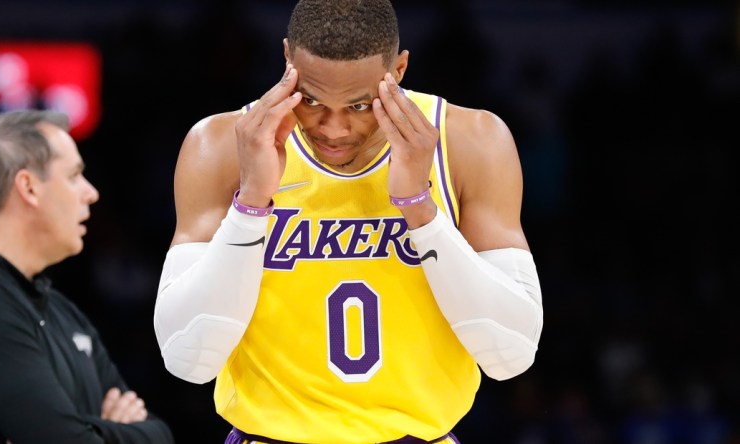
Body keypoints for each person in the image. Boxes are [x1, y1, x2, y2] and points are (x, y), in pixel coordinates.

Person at [154, 0, 544, 442]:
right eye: (313, 100)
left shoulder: (471, 141)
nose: (333, 129)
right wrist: (252, 204)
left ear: (398, 70)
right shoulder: (221, 144)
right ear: (287, 61)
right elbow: (187, 359)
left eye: (360, 106)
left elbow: (511, 354)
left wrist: (420, 208)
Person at [0, 110, 174, 443]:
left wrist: (87, 429)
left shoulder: (59, 309)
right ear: (28, 187)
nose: (91, 193)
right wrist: (110, 430)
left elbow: (160, 434)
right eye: (74, 176)